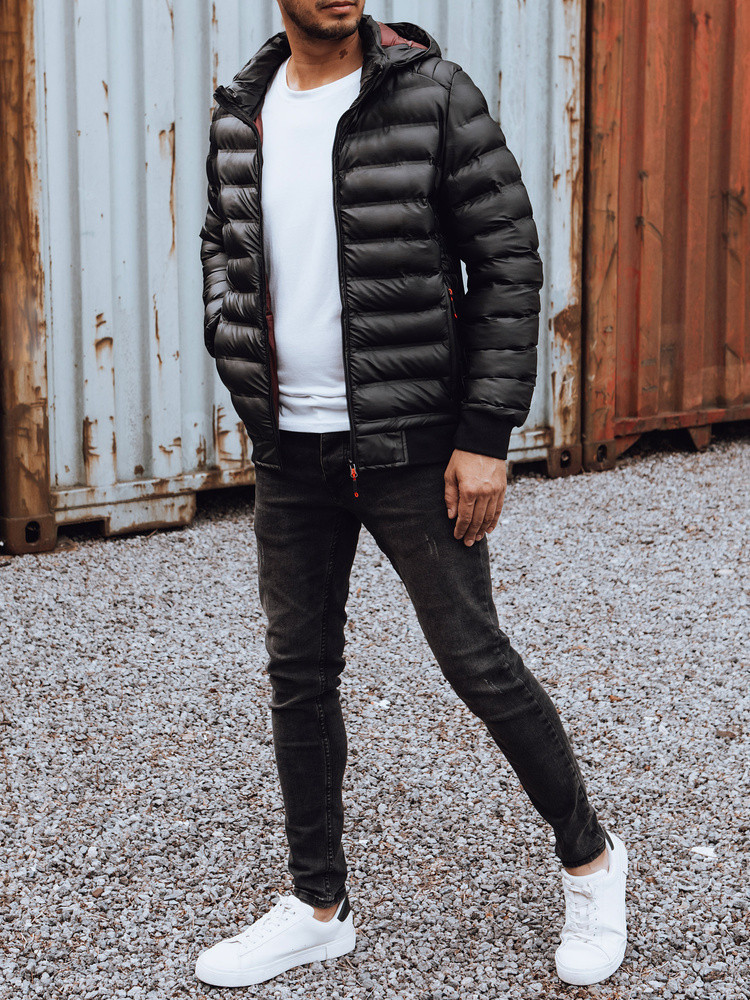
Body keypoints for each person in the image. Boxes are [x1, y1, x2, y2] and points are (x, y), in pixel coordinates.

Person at [194, 0, 627, 989]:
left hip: (412, 446)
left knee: (475, 659)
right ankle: (317, 906)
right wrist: (232, 340)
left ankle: (593, 863)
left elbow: (507, 258)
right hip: (289, 448)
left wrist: (484, 438)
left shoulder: (432, 93)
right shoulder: (242, 111)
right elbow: (224, 241)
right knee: (299, 673)